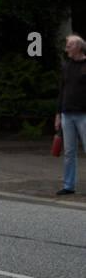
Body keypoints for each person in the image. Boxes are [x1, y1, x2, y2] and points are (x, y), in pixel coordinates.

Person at [54, 33, 86, 195]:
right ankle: (69, 186)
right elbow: (62, 90)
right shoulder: (66, 67)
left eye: (69, 46)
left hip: (83, 114)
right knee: (69, 151)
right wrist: (58, 114)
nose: (66, 49)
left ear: (78, 47)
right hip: (67, 113)